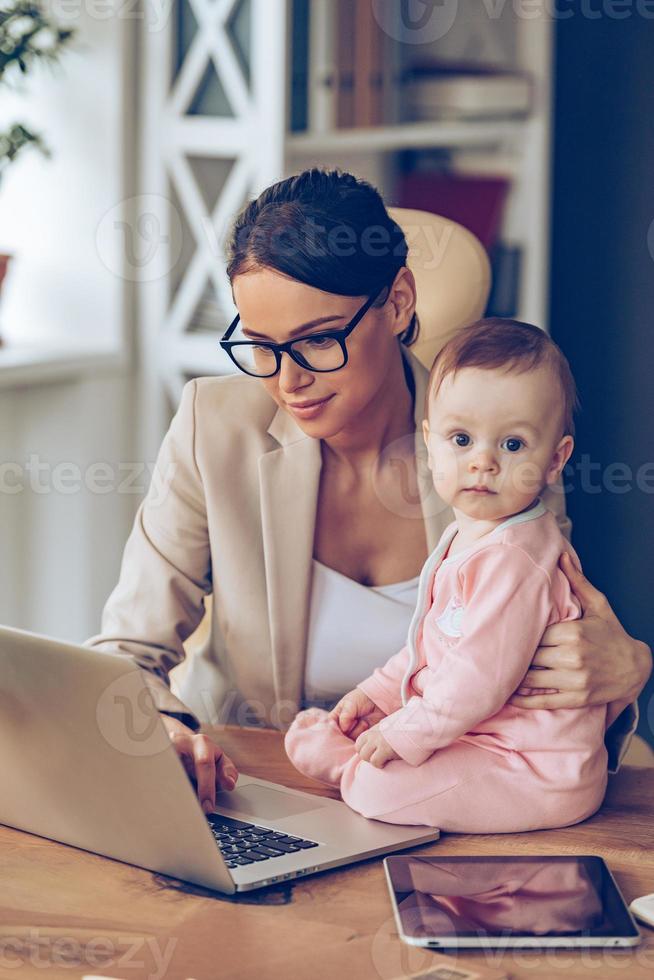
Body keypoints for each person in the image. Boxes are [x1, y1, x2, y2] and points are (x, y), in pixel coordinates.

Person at [85, 168, 651, 816]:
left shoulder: (492, 444)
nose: (289, 379)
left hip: (435, 798)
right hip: (249, 789)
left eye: (318, 339)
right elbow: (127, 653)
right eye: (262, 346)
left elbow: (536, 668)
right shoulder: (211, 428)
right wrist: (163, 731)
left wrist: (627, 670)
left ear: (400, 302)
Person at [284, 318, 631, 831]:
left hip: (536, 770)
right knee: (393, 750)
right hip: (483, 739)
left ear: (556, 459)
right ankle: (362, 757)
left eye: (512, 446)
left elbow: (478, 679)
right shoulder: (474, 535)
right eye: (462, 439)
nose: (483, 463)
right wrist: (376, 695)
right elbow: (431, 641)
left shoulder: (515, 556)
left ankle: (352, 770)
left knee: (381, 785)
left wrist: (402, 734)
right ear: (430, 444)